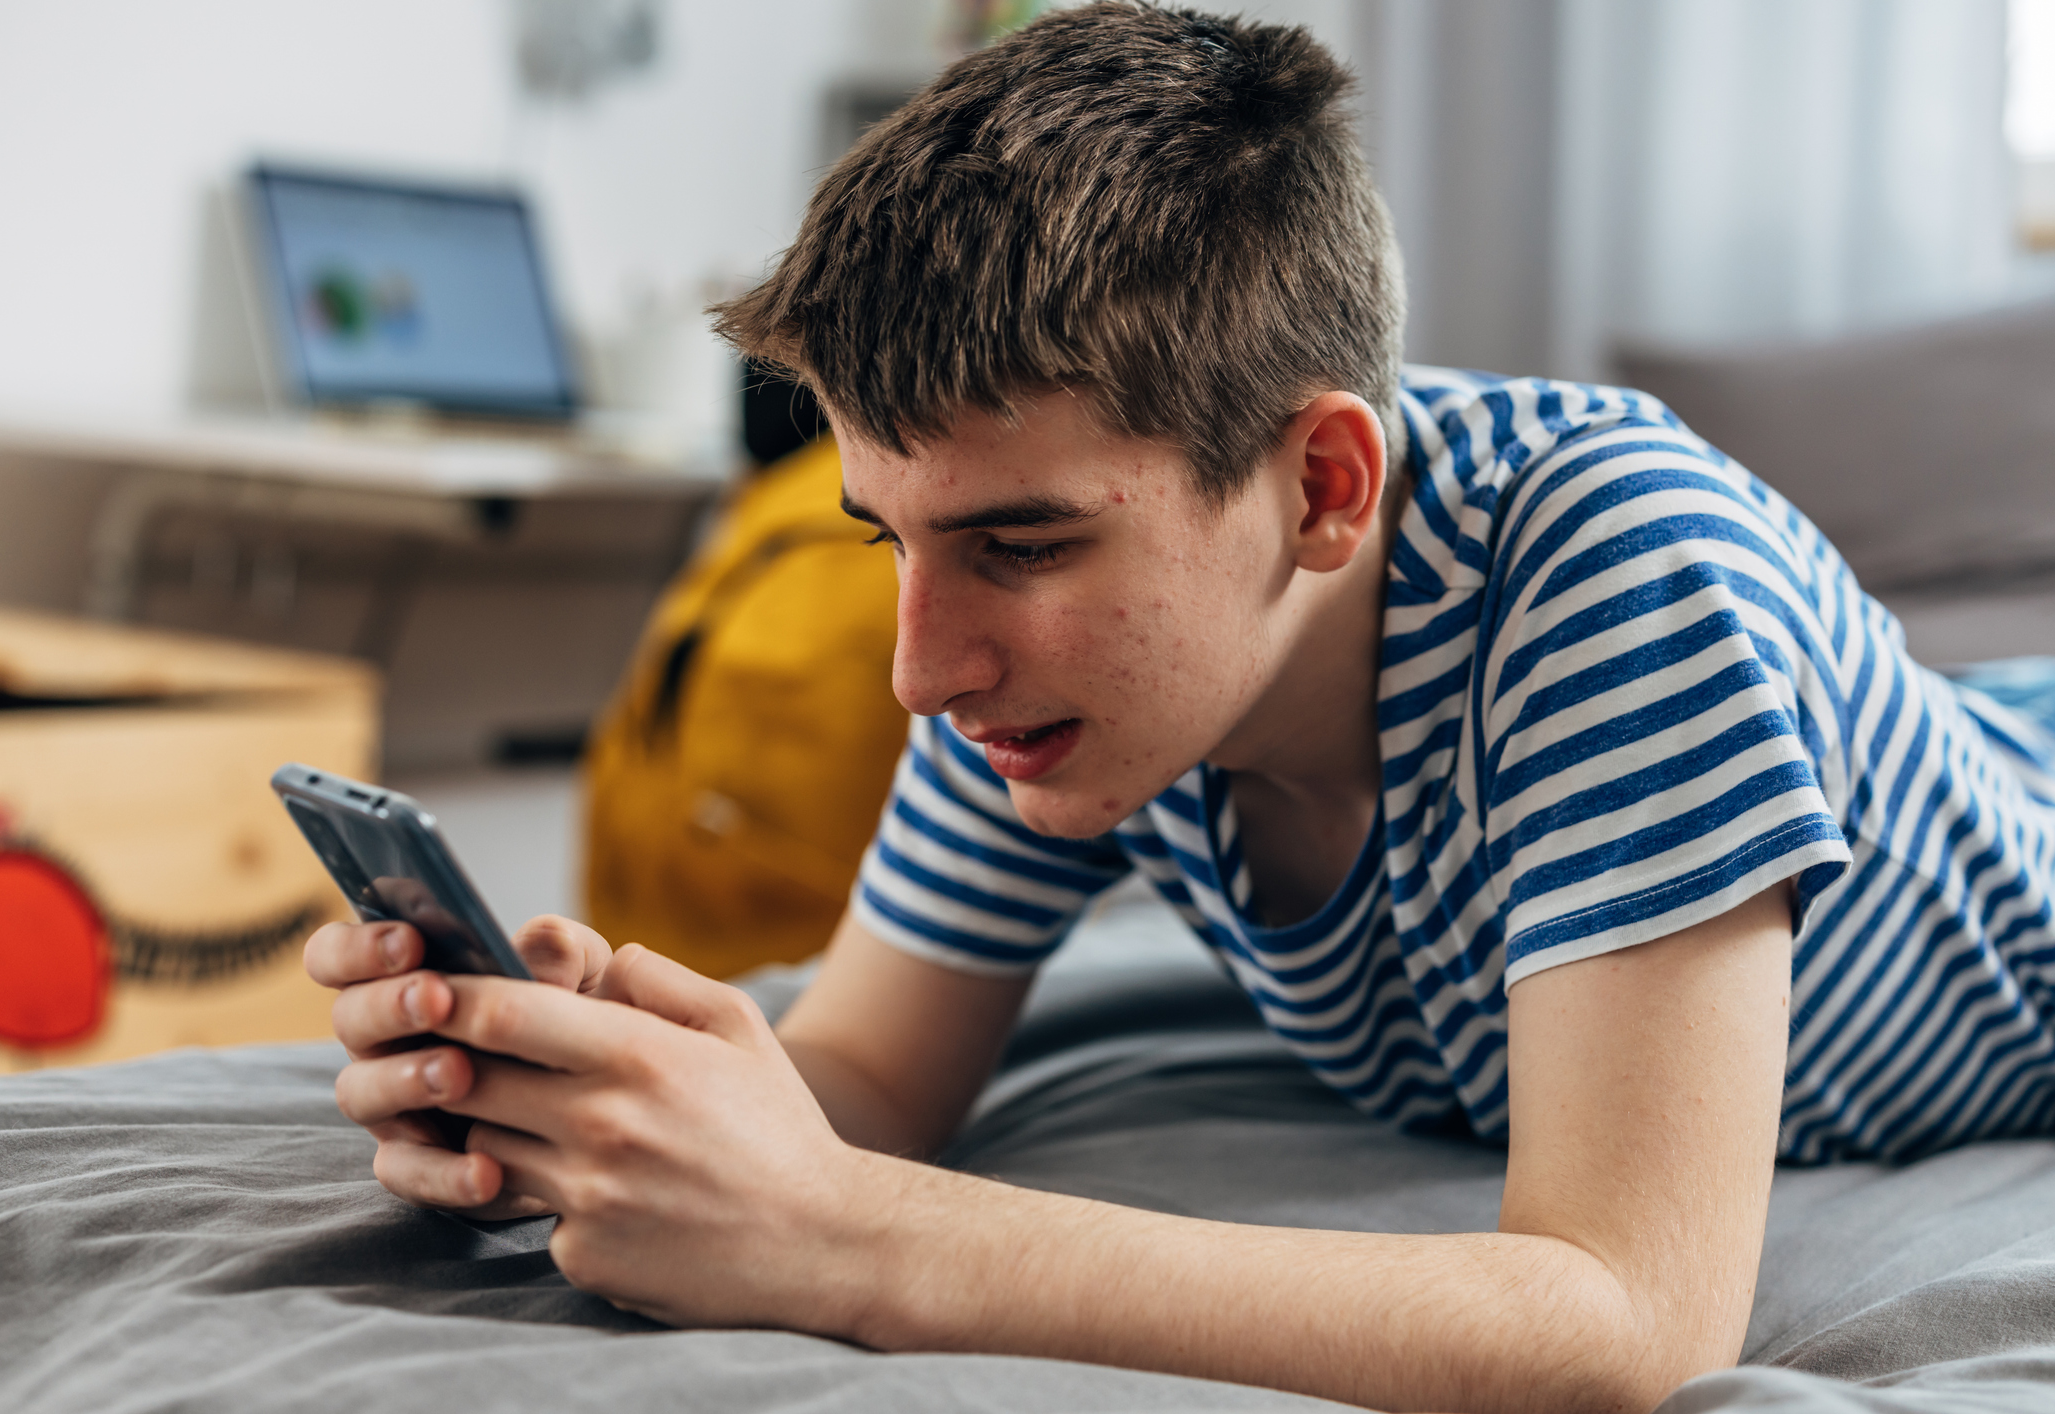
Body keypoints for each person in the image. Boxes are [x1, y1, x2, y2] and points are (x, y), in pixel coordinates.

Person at [303, 6, 2055, 1411]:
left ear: (1319, 487)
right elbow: (864, 1074)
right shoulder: (1066, 667)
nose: (924, 666)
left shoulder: (1616, 572)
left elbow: (1620, 1323)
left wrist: (846, 1240)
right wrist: (607, 1089)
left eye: (1019, 541)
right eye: (890, 540)